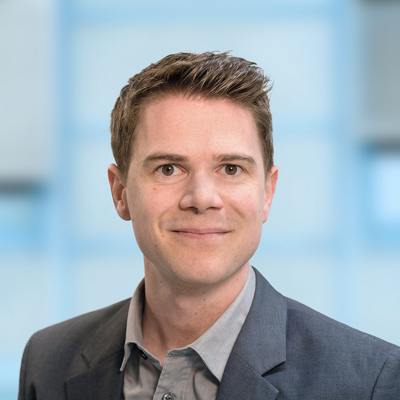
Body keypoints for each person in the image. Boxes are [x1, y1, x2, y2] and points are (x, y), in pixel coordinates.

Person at [18, 51, 400, 400]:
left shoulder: (371, 382)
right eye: (168, 168)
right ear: (121, 193)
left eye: (231, 169)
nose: (201, 198)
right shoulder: (47, 362)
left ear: (267, 193)